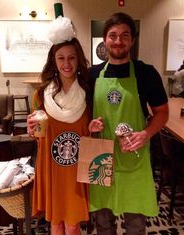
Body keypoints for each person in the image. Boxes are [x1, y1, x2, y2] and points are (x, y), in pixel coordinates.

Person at [88, 12, 169, 235]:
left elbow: (162, 113)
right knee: (103, 223)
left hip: (134, 154)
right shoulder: (92, 75)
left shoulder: (146, 73)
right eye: (113, 35)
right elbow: (82, 114)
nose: (118, 41)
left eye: (125, 35)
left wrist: (146, 133)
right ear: (105, 40)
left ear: (132, 40)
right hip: (101, 157)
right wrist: (89, 125)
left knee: (135, 224)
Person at [27, 16, 92, 235]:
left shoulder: (89, 94)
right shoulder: (40, 95)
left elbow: (92, 130)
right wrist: (32, 132)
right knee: (55, 221)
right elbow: (38, 134)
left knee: (72, 223)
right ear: (53, 61)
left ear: (78, 59)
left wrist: (95, 127)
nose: (66, 64)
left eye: (71, 58)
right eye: (61, 58)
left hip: (76, 169)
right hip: (51, 167)